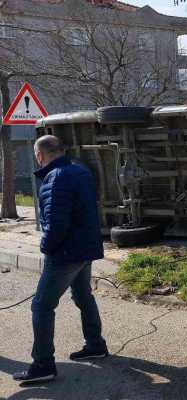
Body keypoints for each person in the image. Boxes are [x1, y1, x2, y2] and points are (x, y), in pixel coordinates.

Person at [13, 135, 107, 384]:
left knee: (41, 306)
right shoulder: (79, 171)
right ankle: (95, 344)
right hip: (86, 248)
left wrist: (46, 247)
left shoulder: (55, 179)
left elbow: (56, 224)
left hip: (66, 253)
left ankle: (43, 364)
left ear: (40, 155)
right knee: (83, 295)